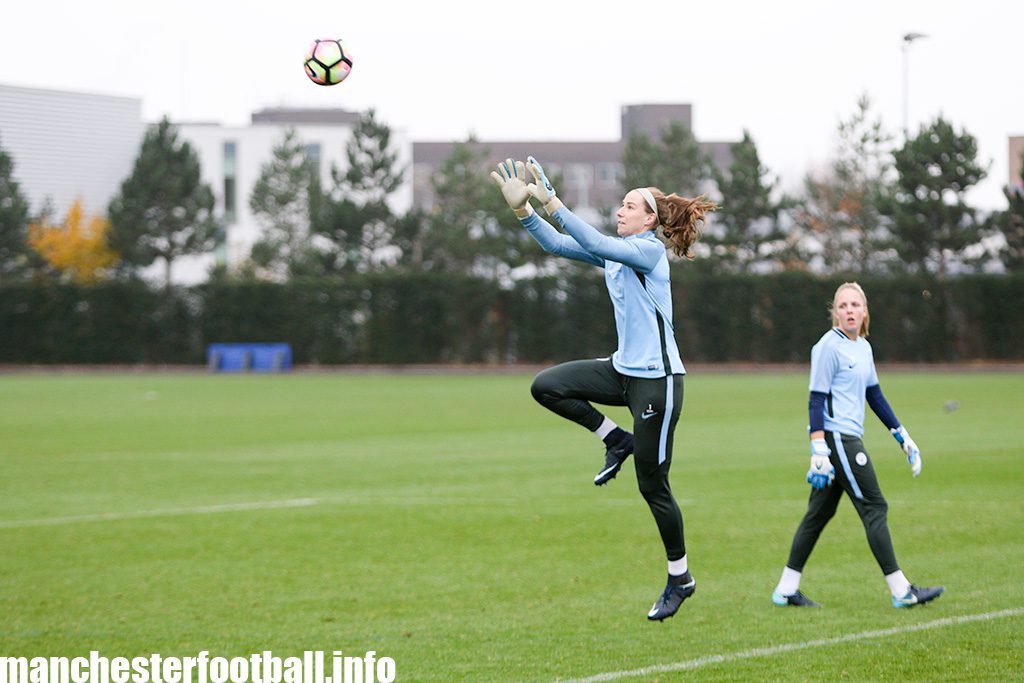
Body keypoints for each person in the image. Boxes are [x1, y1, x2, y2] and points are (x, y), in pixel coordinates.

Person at [490, 156, 717, 621]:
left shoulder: (648, 252)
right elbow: (559, 244)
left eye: (630, 206)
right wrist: (524, 212)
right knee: (548, 386)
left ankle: (681, 577)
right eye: (622, 204)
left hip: (658, 381)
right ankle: (616, 438)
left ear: (650, 220)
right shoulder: (617, 253)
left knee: (653, 486)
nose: (621, 210)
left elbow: (590, 238)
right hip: (623, 372)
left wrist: (551, 199)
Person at [772, 282, 944, 609]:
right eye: (843, 306)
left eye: (855, 305)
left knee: (817, 515)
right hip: (838, 439)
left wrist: (902, 435)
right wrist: (818, 449)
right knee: (875, 508)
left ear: (864, 311)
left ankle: (785, 590)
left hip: (848, 437)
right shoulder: (827, 347)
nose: (849, 310)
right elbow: (816, 399)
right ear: (835, 313)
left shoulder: (863, 347)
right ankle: (901, 590)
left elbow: (874, 394)